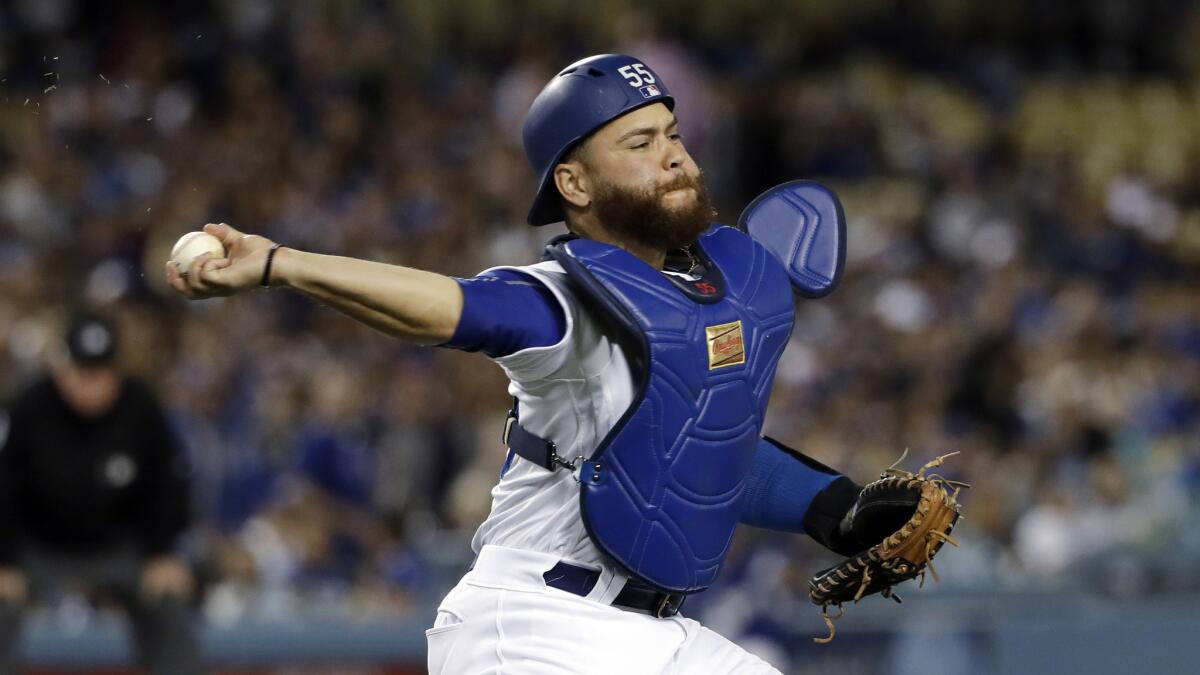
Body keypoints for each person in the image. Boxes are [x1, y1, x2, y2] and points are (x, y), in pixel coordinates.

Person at [165, 54, 888, 674]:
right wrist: (282, 264)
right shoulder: (568, 298)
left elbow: (705, 448)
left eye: (671, 134)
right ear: (574, 185)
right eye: (637, 141)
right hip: (534, 627)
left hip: (657, 635)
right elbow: (454, 307)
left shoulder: (707, 303)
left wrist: (835, 508)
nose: (671, 152)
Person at [0, 310, 203, 675]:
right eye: (82, 372)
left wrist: (162, 551)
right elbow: (4, 489)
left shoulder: (140, 407)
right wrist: (5, 560)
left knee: (169, 600)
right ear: (63, 367)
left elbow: (168, 484)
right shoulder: (30, 408)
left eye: (101, 372)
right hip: (40, 547)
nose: (92, 384)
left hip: (120, 547)